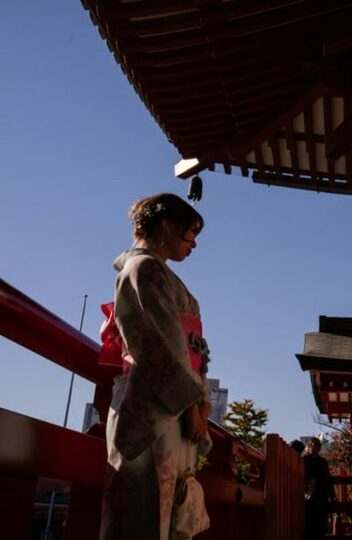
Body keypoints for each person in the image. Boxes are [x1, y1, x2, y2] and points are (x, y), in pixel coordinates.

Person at [100, 193, 212, 540]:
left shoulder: (159, 273)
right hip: (152, 409)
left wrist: (200, 400)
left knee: (169, 513)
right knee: (143, 515)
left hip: (173, 409)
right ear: (166, 224)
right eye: (190, 233)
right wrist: (191, 402)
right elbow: (156, 345)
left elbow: (190, 347)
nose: (193, 244)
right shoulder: (142, 268)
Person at [303, 437, 334, 540]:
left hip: (321, 494)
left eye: (318, 445)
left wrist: (331, 494)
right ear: (309, 445)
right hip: (309, 495)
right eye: (314, 444)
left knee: (320, 521)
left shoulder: (323, 461)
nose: (316, 447)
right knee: (309, 521)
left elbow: (328, 478)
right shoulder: (303, 460)